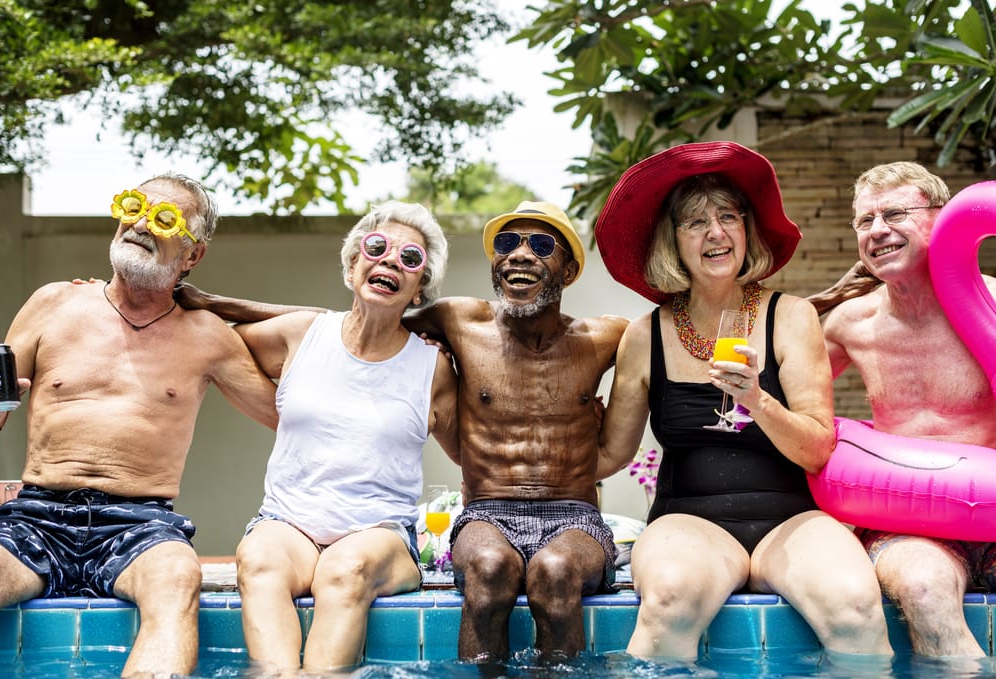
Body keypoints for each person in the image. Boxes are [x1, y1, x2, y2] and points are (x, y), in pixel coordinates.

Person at [175, 200, 629, 662]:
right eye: (509, 243)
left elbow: (661, 344)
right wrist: (211, 303)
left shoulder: (603, 337)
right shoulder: (453, 322)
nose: (521, 254)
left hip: (544, 513)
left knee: (552, 572)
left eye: (541, 244)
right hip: (466, 514)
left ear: (569, 270)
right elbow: (342, 321)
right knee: (486, 568)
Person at [594, 141, 893, 660]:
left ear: (746, 229)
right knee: (669, 601)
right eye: (695, 222)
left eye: (728, 216)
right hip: (689, 520)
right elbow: (609, 455)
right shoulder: (646, 335)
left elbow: (819, 448)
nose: (715, 232)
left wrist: (757, 399)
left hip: (792, 519)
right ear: (673, 242)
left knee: (856, 607)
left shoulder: (792, 316)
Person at [0, 174, 279, 677]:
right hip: (36, 515)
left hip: (140, 523)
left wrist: (389, 332)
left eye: (165, 218)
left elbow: (293, 416)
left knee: (176, 578)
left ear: (193, 256)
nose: (142, 224)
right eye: (135, 207)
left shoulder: (208, 336)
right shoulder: (54, 303)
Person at [231, 201, 459, 674]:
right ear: (353, 263)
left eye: (410, 259)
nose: (391, 261)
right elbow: (213, 346)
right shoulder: (301, 335)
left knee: (344, 570)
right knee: (257, 558)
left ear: (419, 290)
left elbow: (469, 451)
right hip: (288, 523)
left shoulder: (432, 367)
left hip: (379, 535)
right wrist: (109, 301)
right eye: (376, 248)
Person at [819, 161, 996, 657]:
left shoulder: (995, 303)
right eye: (864, 220)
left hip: (994, 506)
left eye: (895, 213)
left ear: (942, 218)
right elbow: (783, 393)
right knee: (923, 589)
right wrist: (825, 298)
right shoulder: (850, 323)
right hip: (910, 523)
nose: (877, 231)